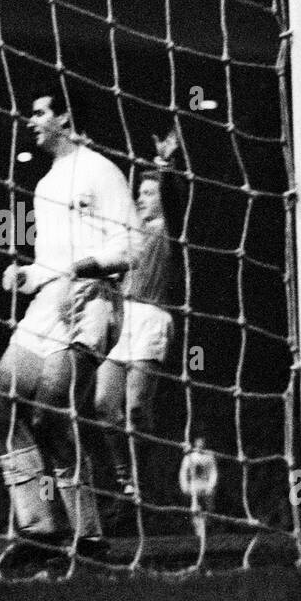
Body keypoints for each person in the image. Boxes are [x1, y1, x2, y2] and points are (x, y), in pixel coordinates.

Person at [0, 78, 139, 565]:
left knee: (51, 412)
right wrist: (26, 274)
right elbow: (52, 262)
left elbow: (129, 247)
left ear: (66, 118)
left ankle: (89, 537)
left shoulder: (101, 171)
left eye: (41, 111)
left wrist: (82, 271)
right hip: (47, 306)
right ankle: (40, 527)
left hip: (92, 304)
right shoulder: (46, 184)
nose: (32, 121)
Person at [94, 128, 187, 499]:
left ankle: (145, 474)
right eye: (140, 193)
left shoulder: (169, 231)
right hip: (120, 318)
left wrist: (165, 167)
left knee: (135, 407)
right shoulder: (128, 233)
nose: (141, 198)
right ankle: (125, 477)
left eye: (150, 193)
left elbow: (175, 199)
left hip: (151, 319)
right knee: (103, 404)